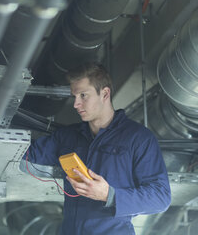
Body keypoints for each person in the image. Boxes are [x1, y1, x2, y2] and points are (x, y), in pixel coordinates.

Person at [21, 63, 171, 235]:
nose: (76, 104)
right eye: (74, 96)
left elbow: (160, 198)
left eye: (83, 95)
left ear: (105, 94)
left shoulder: (138, 138)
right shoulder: (67, 137)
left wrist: (109, 194)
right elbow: (25, 154)